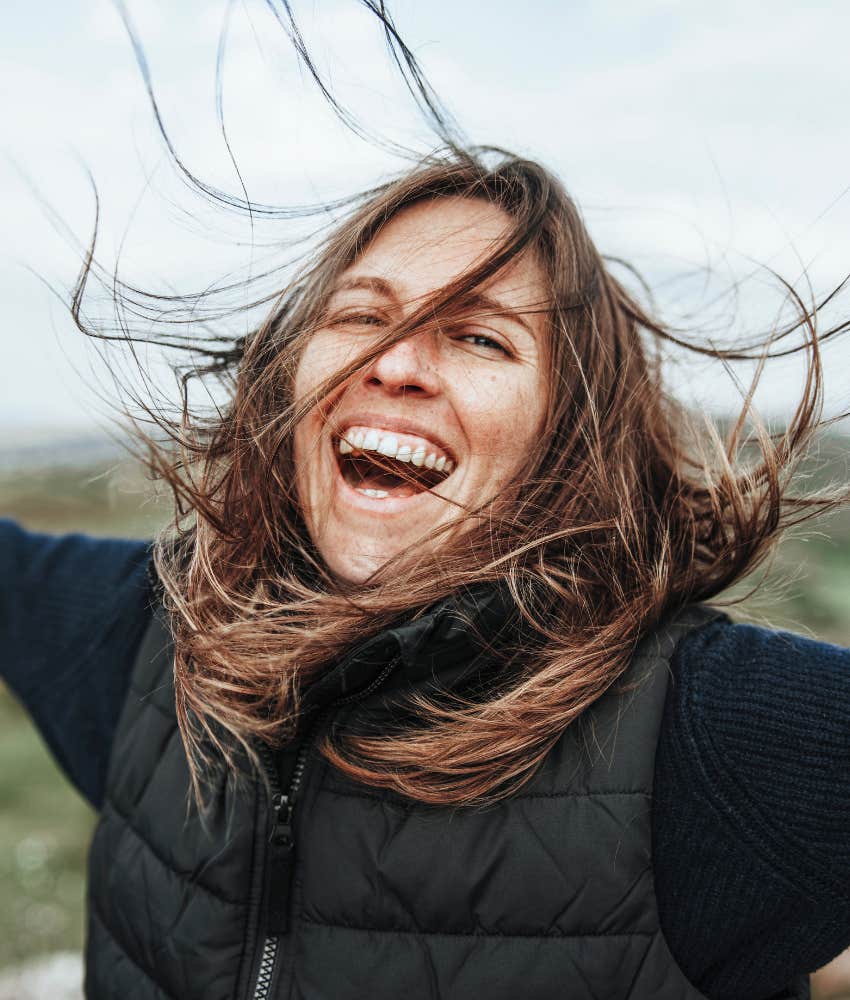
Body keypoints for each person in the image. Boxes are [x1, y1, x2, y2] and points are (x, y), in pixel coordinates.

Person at [3, 9, 850, 997]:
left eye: (481, 337)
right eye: (360, 314)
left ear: (569, 436)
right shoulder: (153, 633)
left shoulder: (705, 725)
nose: (394, 362)